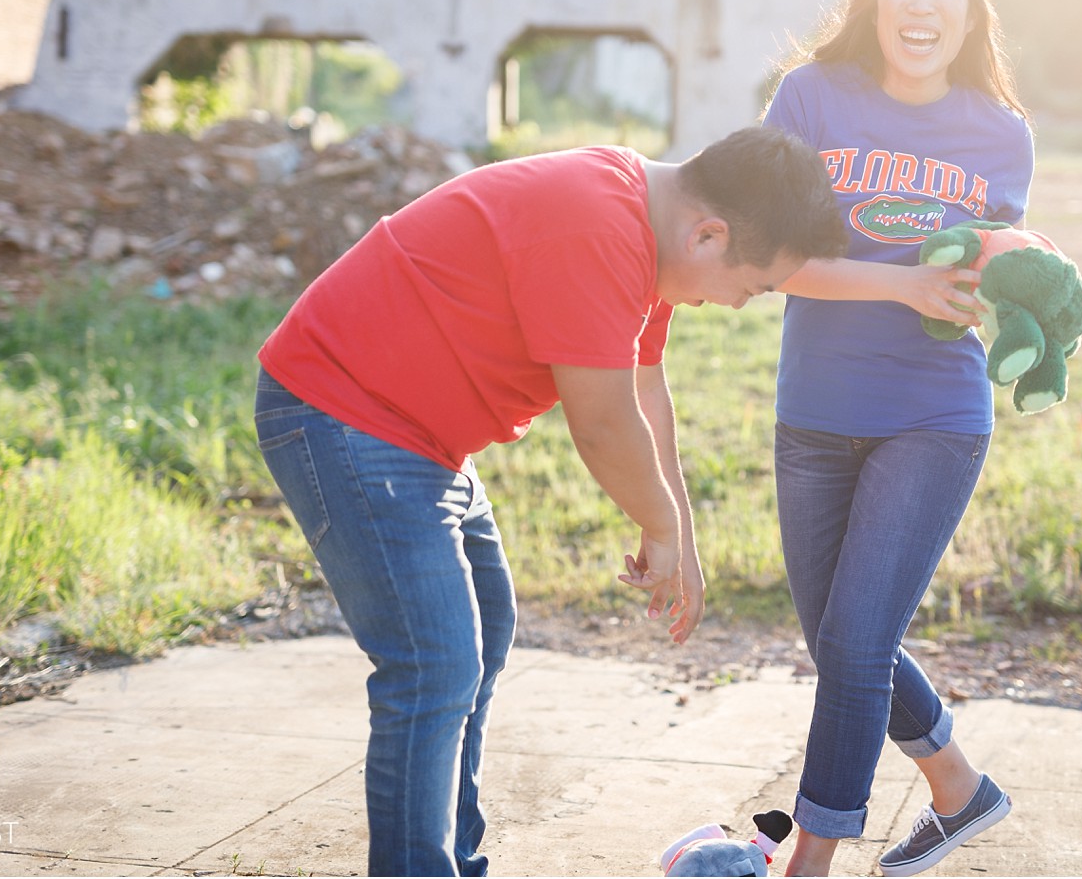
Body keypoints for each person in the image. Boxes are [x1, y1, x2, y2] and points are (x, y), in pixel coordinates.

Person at [252, 126, 848, 877]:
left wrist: (680, 539)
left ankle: (453, 860)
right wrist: (656, 523)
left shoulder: (652, 232)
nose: (735, 306)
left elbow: (642, 391)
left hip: (417, 439)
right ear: (709, 234)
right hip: (342, 410)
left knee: (483, 635)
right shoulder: (597, 223)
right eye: (753, 287)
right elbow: (599, 421)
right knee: (433, 664)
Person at [761, 0, 1034, 877]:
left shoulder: (999, 134)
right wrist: (899, 282)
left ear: (970, 14)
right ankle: (960, 788)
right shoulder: (811, 98)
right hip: (814, 416)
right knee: (843, 643)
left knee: (855, 644)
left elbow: (995, 276)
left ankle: (812, 863)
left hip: (934, 416)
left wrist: (1030, 291)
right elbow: (774, 258)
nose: (922, 6)